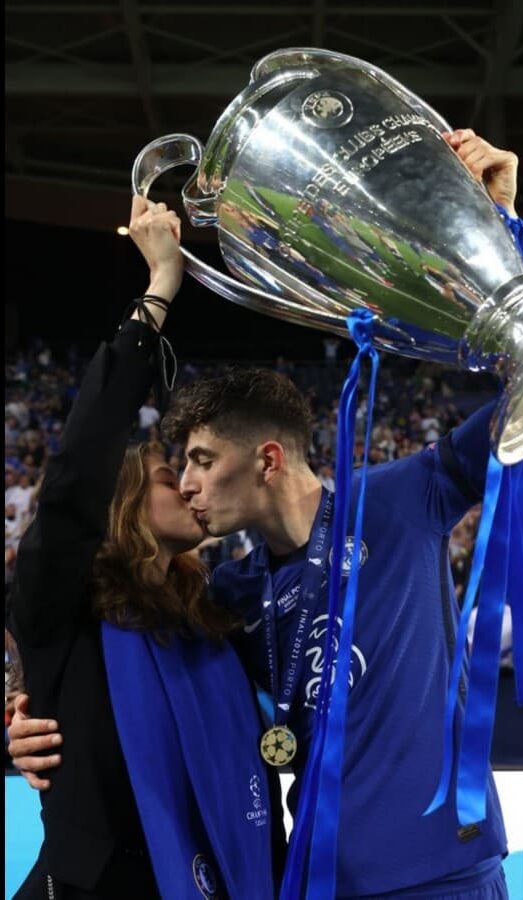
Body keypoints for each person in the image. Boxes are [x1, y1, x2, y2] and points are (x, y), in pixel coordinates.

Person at [9, 131, 523, 898]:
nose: (189, 485)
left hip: (445, 875)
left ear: (264, 458)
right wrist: (30, 715)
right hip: (309, 881)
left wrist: (500, 233)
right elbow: (113, 667)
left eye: (198, 462)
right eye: (178, 469)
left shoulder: (405, 498)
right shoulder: (224, 601)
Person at [6, 195, 277, 900]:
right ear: (122, 502)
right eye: (169, 474)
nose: (191, 485)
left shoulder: (211, 613)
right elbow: (75, 474)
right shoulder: (59, 606)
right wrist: (159, 288)